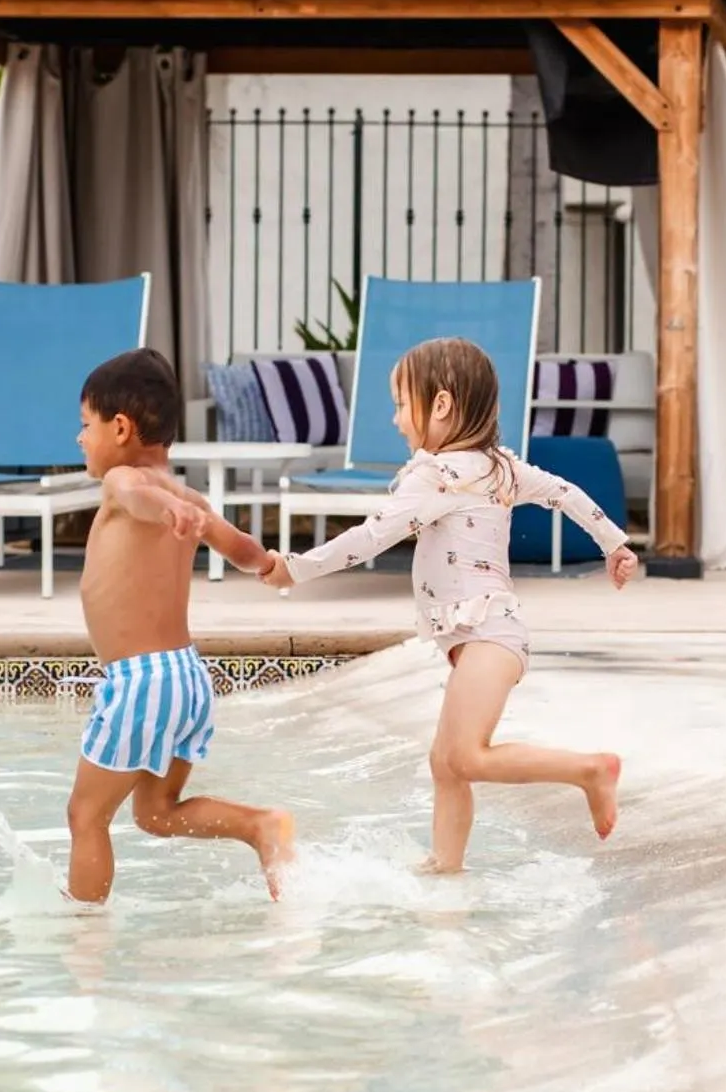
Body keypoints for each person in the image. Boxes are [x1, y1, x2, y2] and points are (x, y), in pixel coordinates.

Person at [260, 336, 637, 873]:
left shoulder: (433, 474)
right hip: (487, 635)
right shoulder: (500, 467)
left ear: (439, 405)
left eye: (399, 404)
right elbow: (564, 492)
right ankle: (446, 863)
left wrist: (295, 567)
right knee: (446, 763)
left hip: (487, 634)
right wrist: (614, 543)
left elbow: (371, 537)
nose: (394, 420)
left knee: (465, 756)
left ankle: (588, 771)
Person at [68, 348, 295, 903]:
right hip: (186, 678)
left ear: (120, 428)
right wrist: (269, 564)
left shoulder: (125, 482)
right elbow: (240, 549)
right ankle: (260, 826)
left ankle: (81, 938)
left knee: (85, 816)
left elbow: (135, 495)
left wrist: (162, 510)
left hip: (141, 682)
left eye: (85, 425)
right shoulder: (190, 497)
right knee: (156, 813)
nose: (80, 438)